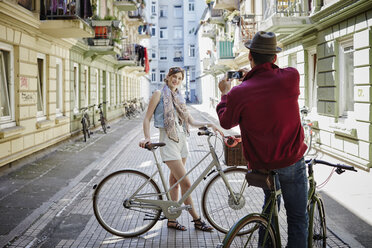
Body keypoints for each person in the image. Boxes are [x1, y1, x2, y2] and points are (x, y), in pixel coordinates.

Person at [216, 31, 308, 247]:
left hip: (263, 165)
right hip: (291, 161)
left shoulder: (240, 92)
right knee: (297, 218)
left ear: (250, 56)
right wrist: (254, 74)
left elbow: (226, 122)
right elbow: (272, 82)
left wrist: (225, 94)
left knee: (269, 213)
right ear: (274, 58)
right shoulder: (291, 77)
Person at [139, 67, 223, 232]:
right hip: (168, 141)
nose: (176, 80)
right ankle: (197, 220)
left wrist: (211, 124)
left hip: (182, 141)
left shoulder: (179, 97)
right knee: (186, 183)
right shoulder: (158, 94)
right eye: (173, 77)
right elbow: (147, 118)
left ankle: (171, 219)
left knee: (175, 183)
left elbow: (190, 121)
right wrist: (147, 137)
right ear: (167, 77)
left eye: (179, 78)